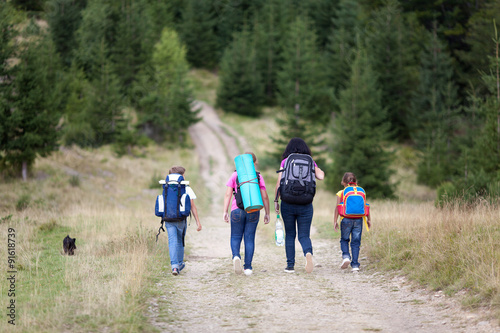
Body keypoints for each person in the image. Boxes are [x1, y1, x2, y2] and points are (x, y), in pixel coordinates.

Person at [274, 138, 325, 273]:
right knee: (304, 235)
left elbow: (279, 183)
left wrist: (276, 201)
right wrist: (315, 167)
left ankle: (290, 265)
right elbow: (321, 176)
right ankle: (308, 253)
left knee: (290, 234)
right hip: (306, 203)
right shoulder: (309, 161)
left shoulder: (286, 161)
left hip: (288, 202)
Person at [223, 152, 270, 276]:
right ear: (254, 163)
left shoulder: (235, 175)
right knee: (249, 238)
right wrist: (267, 213)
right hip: (254, 209)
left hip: (236, 210)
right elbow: (264, 196)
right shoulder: (258, 176)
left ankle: (236, 256)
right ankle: (248, 267)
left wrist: (225, 211)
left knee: (235, 236)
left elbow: (228, 194)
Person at [165, 166, 202, 276]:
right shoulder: (186, 187)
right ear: (181, 176)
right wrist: (198, 222)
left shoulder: (166, 187)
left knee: (172, 241)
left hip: (168, 218)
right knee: (180, 241)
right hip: (181, 219)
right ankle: (180, 263)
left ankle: (174, 267)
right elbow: (192, 206)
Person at [333, 172, 371, 272]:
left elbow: (337, 208)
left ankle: (346, 256)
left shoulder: (341, 192)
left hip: (345, 219)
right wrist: (369, 219)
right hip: (359, 219)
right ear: (356, 181)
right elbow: (366, 206)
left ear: (343, 182)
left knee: (344, 239)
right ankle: (355, 265)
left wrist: (335, 221)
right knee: (356, 242)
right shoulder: (361, 191)